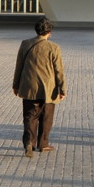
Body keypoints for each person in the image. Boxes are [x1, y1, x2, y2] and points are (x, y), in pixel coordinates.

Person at [12, 16, 66, 158]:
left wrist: (15, 85)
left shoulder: (25, 44)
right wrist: (62, 89)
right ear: (49, 32)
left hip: (29, 87)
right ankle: (43, 144)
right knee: (46, 117)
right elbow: (59, 70)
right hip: (49, 89)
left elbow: (19, 66)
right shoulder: (54, 47)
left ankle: (29, 143)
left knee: (30, 116)